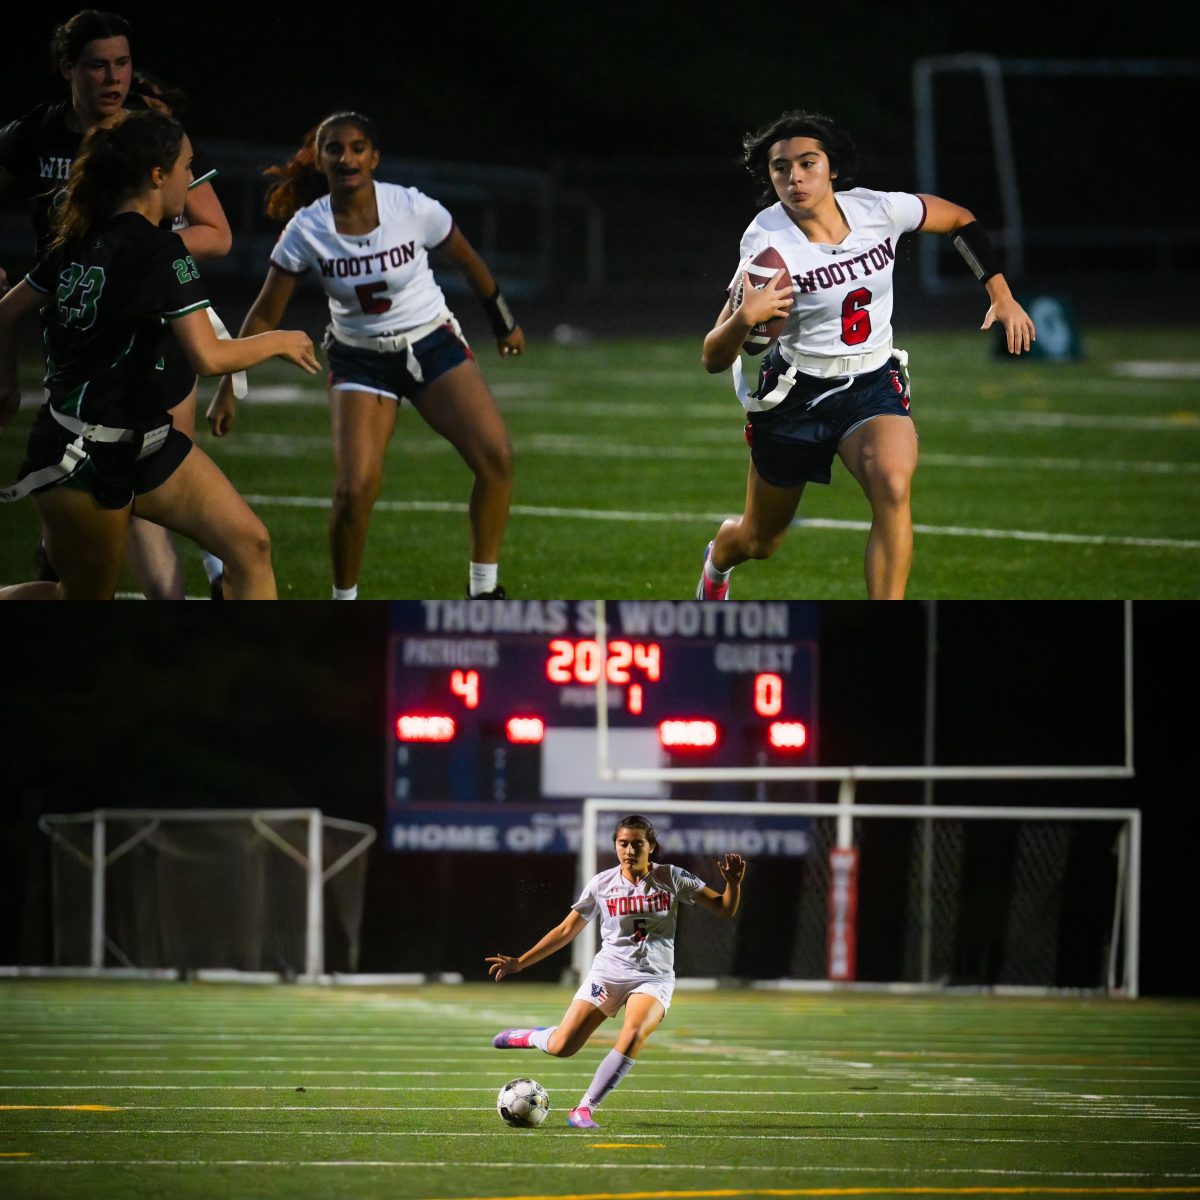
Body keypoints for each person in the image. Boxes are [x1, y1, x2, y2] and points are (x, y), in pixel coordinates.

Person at [695, 109, 1037, 601]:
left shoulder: (878, 209)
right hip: (797, 394)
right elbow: (712, 356)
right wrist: (744, 318)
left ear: (832, 167)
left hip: (872, 383)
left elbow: (959, 219)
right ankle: (718, 561)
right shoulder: (768, 243)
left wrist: (999, 294)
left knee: (893, 486)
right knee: (760, 540)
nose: (795, 177)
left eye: (808, 163)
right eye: (780, 167)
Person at [0, 109, 318, 600]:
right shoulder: (161, 250)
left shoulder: (80, 236)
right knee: (81, 600)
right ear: (157, 175)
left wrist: (7, 379)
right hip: (84, 455)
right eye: (187, 168)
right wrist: (282, 340)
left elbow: (5, 312)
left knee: (250, 545)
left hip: (144, 442)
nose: (192, 179)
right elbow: (209, 357)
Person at [206, 111, 521, 600]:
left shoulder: (410, 206)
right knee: (354, 492)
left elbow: (468, 260)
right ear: (321, 158)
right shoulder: (306, 229)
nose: (346, 157)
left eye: (357, 148)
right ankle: (345, 601)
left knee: (496, 457)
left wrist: (504, 322)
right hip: (360, 359)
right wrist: (229, 387)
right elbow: (265, 314)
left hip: (430, 342)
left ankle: (484, 590)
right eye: (334, 148)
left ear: (374, 156)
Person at [0, 10, 234, 599]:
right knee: (84, 529)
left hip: (158, 339)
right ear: (66, 69)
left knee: (152, 504)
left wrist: (136, 252)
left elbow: (217, 232)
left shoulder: (150, 135)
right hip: (77, 346)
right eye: (98, 65)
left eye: (123, 63)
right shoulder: (31, 137)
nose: (114, 78)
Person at [485, 814, 745, 1129]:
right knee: (562, 1047)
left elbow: (724, 908)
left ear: (651, 847)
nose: (630, 850)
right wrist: (520, 962)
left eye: (637, 843)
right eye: (623, 843)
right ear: (616, 846)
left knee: (634, 1033)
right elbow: (567, 930)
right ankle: (531, 1036)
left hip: (653, 978)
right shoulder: (602, 884)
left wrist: (733, 883)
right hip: (608, 974)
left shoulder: (671, 878)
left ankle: (583, 1109)